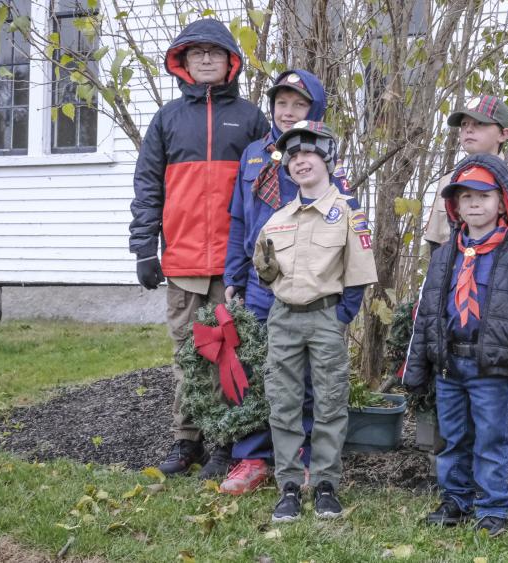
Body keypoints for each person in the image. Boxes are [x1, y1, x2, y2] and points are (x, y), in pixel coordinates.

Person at [128, 19, 270, 479]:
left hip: (235, 266)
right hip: (185, 262)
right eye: (196, 52)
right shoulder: (168, 120)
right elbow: (148, 185)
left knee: (234, 354)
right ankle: (187, 440)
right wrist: (144, 247)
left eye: (214, 52)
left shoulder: (250, 119)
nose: (206, 58)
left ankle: (226, 443)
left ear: (231, 61)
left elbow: (268, 190)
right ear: (183, 63)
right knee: (189, 357)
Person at [400, 154, 508, 537]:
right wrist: (416, 368)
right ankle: (456, 499)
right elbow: (426, 315)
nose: (474, 204)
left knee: (490, 439)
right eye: (465, 197)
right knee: (452, 437)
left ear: (502, 202)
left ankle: (492, 507)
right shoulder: (443, 257)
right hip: (450, 364)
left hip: (492, 368)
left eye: (483, 196)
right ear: (455, 206)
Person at [219, 70, 350, 496]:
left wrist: (345, 301)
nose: (288, 111)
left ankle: (305, 459)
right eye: (281, 103)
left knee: (310, 377)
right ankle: (253, 457)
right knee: (260, 373)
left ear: (314, 111)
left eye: (299, 104)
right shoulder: (254, 155)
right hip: (262, 286)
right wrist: (234, 276)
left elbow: (347, 229)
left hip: (310, 287)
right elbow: (239, 217)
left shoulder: (325, 159)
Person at [252, 121, 377, 522]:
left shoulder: (346, 212)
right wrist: (264, 268)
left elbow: (358, 271)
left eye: (308, 153)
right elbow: (266, 272)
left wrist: (343, 314)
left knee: (329, 401)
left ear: (327, 158)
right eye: (293, 157)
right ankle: (288, 485)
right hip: (283, 318)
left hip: (325, 316)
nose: (300, 161)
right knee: (283, 403)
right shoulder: (278, 218)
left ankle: (325, 483)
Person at [422, 95, 508, 250]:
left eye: (480, 123)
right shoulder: (449, 180)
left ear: (503, 134)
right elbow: (435, 242)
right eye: (464, 124)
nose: (469, 129)